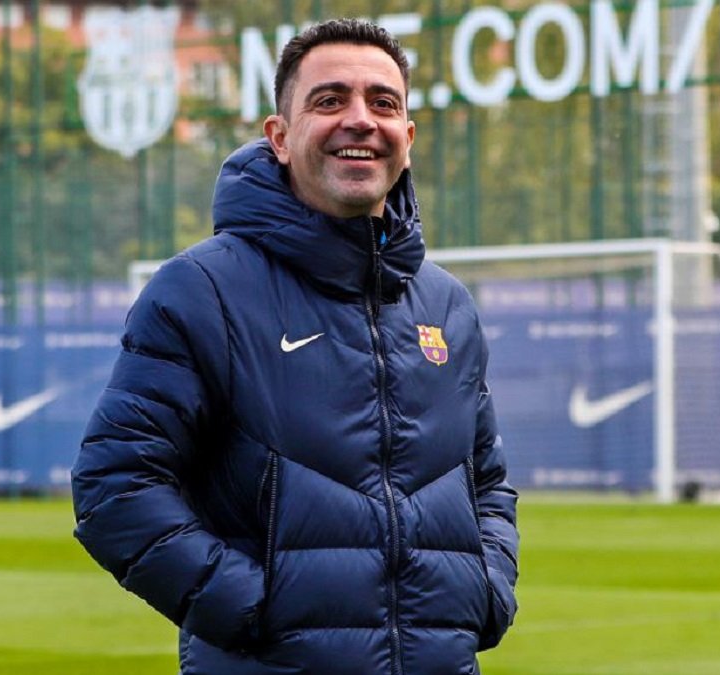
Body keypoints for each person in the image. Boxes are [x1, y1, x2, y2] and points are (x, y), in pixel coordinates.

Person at [71, 18, 518, 674]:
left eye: (383, 103)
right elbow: (115, 484)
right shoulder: (202, 290)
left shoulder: (446, 304)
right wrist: (254, 608)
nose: (360, 120)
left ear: (408, 137)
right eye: (330, 100)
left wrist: (488, 591)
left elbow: (487, 482)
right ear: (279, 137)